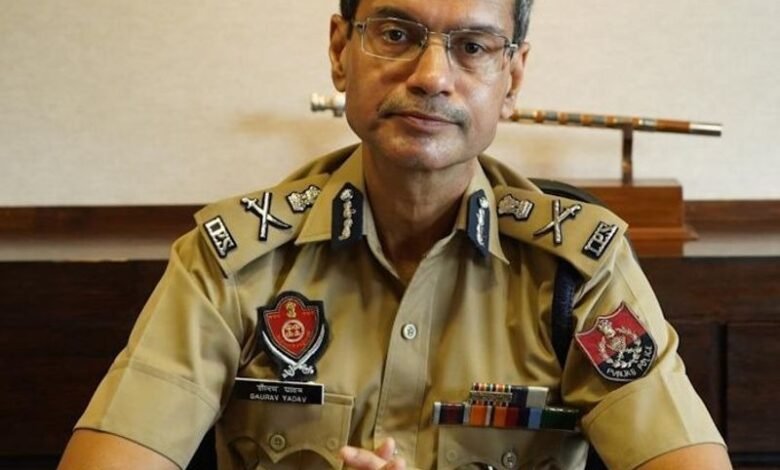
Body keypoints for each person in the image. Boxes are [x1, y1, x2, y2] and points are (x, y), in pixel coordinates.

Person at [59, 0, 732, 469]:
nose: (432, 77)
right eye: (395, 33)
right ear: (339, 52)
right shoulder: (232, 262)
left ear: (512, 78)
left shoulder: (578, 269)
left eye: (473, 47)